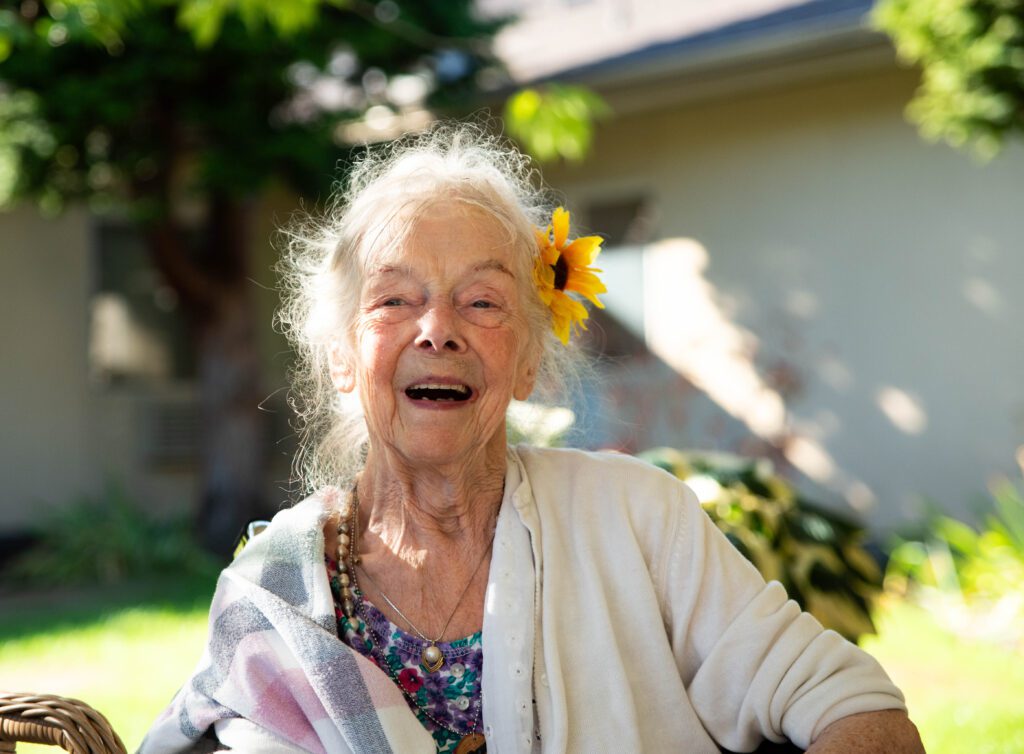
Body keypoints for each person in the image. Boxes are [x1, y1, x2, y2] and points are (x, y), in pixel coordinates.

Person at [138, 124, 924, 754]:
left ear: (527, 361)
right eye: (395, 300)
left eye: (482, 302)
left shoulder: (639, 520)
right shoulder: (276, 593)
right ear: (342, 356)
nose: (438, 330)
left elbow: (863, 716)